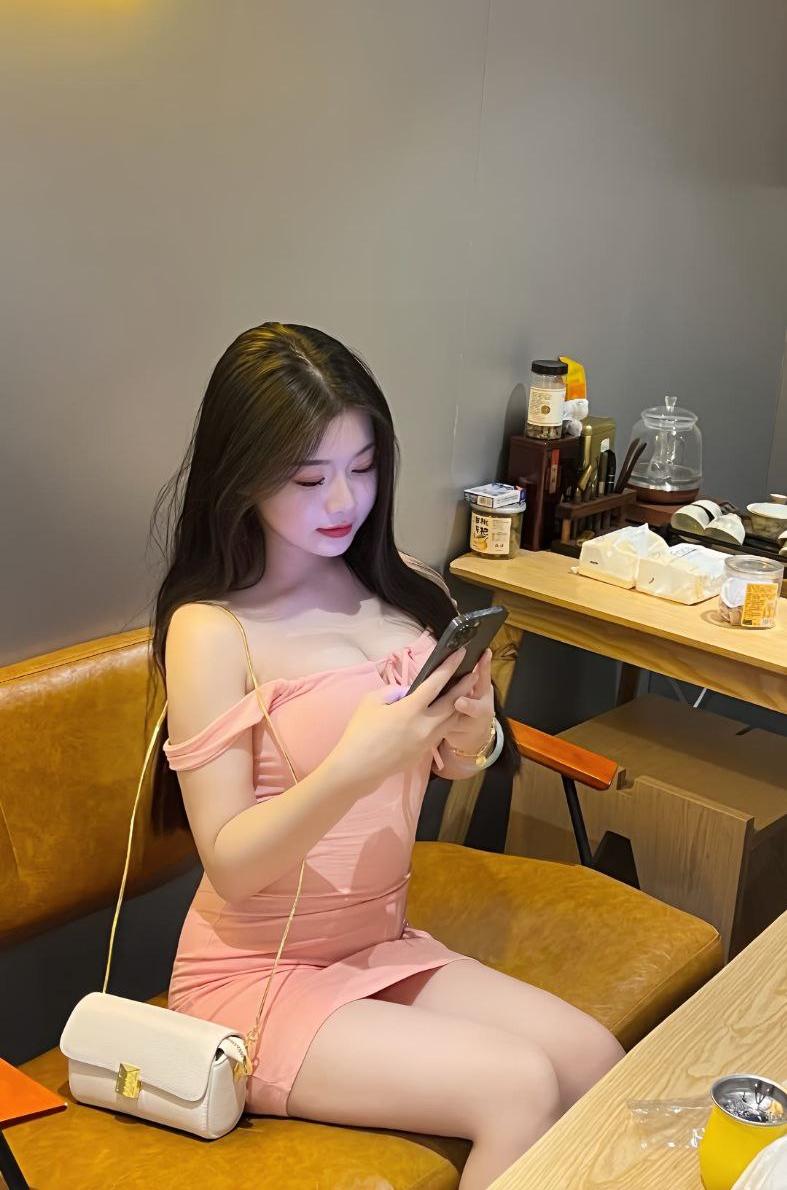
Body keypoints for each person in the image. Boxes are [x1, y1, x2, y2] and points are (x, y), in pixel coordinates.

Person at [147, 322, 623, 1189]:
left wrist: (472, 732)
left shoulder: (403, 587)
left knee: (596, 1060)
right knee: (515, 1086)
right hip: (254, 978)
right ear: (241, 475)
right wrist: (355, 765)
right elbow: (230, 864)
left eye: (363, 469)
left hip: (377, 944)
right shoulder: (212, 630)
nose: (343, 501)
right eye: (308, 478)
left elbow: (458, 763)